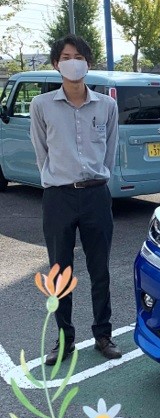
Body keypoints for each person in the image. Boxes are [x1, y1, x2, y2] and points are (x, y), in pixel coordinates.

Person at [30, 34, 122, 364]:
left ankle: (103, 334)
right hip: (59, 197)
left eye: (79, 57)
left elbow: (109, 151)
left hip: (96, 194)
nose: (73, 62)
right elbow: (41, 152)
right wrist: (58, 179)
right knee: (59, 272)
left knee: (100, 270)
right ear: (56, 64)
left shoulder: (107, 105)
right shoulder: (41, 105)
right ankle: (64, 339)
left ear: (88, 63)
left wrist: (98, 178)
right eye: (66, 57)